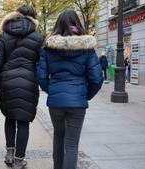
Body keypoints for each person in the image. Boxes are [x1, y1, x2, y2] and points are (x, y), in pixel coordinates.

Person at [37, 9, 103, 169]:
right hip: (77, 102)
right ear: (77, 23)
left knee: (58, 137)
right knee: (72, 145)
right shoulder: (87, 47)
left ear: (58, 24)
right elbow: (97, 78)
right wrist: (85, 95)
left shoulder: (49, 47)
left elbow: (40, 75)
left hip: (56, 103)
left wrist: (51, 90)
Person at [0, 5, 43, 169]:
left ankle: (9, 155)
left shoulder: (4, 35)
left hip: (6, 83)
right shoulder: (38, 37)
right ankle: (19, 159)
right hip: (28, 82)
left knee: (10, 118)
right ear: (33, 18)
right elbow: (42, 64)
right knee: (24, 122)